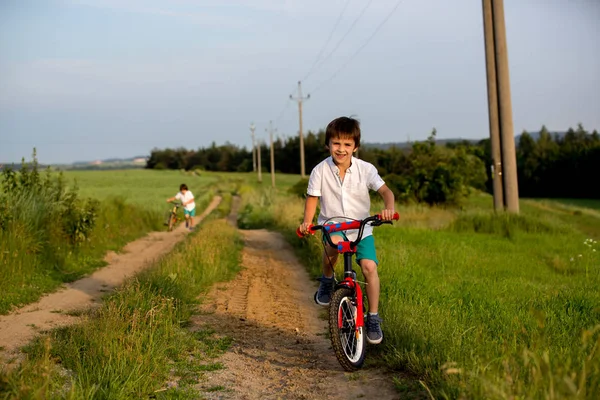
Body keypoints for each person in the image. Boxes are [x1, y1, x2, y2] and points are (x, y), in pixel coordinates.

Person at [298, 116, 395, 345]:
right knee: (331, 247)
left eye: (347, 144)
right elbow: (313, 199)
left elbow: (386, 192)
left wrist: (389, 209)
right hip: (334, 225)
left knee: (370, 267)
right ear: (328, 144)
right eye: (336, 143)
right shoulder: (319, 171)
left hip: (362, 227)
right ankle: (327, 280)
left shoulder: (366, 169)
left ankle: (372, 317)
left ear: (355, 147)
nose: (341, 149)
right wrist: (307, 222)